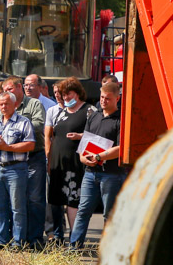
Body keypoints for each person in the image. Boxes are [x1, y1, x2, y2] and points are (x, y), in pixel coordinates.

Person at [70, 82, 125, 249]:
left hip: (111, 174)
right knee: (83, 210)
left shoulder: (121, 120)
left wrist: (100, 156)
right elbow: (85, 141)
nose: (103, 101)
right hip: (90, 171)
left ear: (117, 98)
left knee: (109, 214)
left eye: (108, 98)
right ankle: (74, 246)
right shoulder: (94, 116)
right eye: (101, 97)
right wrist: (83, 158)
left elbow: (121, 148)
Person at [0, 92, 35, 250]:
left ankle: (18, 241)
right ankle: (1, 240)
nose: (3, 107)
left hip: (16, 168)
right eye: (0, 104)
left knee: (17, 207)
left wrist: (7, 147)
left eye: (6, 104)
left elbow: (30, 144)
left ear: (15, 105)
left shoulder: (23, 122)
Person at [2, 77, 48, 249]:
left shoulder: (34, 105)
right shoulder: (5, 105)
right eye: (4, 90)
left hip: (33, 156)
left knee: (35, 198)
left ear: (19, 87)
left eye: (9, 89)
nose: (7, 93)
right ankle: (15, 238)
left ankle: (35, 238)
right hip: (12, 158)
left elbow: (38, 125)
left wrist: (16, 126)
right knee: (14, 200)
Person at [47, 77, 93, 242]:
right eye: (63, 95)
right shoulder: (61, 112)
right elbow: (52, 136)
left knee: (73, 202)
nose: (65, 98)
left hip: (75, 164)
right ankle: (59, 236)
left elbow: (98, 135)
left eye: (69, 94)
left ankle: (76, 240)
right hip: (58, 163)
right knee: (57, 201)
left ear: (78, 93)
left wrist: (80, 136)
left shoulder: (89, 110)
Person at [44, 81, 68, 241]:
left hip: (73, 158)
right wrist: (49, 158)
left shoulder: (79, 110)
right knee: (56, 199)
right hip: (56, 159)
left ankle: (74, 234)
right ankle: (57, 233)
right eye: (55, 92)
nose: (57, 95)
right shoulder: (52, 110)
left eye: (60, 91)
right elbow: (48, 136)